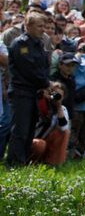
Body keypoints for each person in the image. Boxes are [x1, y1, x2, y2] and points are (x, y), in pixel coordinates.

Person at [4, 10, 53, 166]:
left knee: (30, 128)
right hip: (21, 92)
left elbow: (45, 66)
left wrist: (45, 82)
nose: (43, 29)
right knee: (20, 129)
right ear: (28, 26)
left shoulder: (39, 44)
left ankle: (24, 159)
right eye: (39, 26)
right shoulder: (21, 44)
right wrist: (47, 83)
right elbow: (28, 68)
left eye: (44, 26)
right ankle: (14, 162)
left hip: (34, 92)